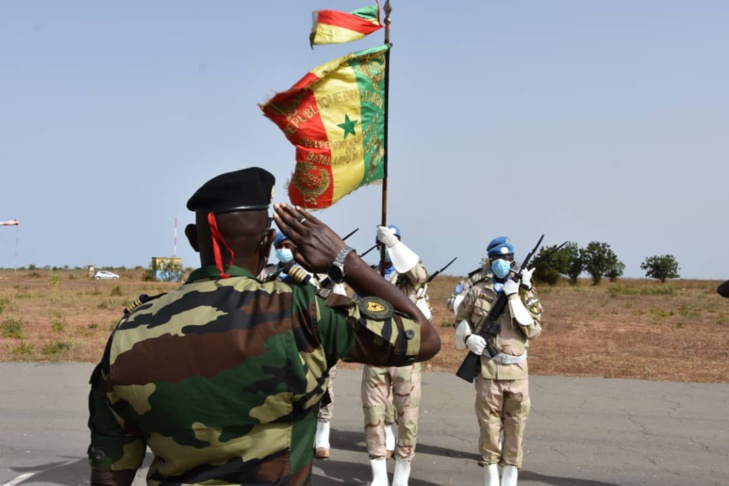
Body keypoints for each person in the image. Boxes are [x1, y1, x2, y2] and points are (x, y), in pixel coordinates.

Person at [86, 167, 440, 486]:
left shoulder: (131, 331)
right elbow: (423, 338)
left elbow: (110, 472)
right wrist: (345, 259)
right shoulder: (302, 312)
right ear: (268, 242)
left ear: (195, 239)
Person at [454, 236, 543, 486]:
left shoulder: (526, 293)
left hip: (516, 373)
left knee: (515, 430)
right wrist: (469, 337)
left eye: (507, 259)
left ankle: (510, 480)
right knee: (489, 430)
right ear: (490, 262)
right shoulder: (477, 291)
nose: (502, 263)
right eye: (497, 259)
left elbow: (534, 330)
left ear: (512, 261)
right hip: (488, 372)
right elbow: (460, 320)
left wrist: (516, 296)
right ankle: (491, 480)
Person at [264, 229, 346, 460]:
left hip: (312, 341)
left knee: (323, 388)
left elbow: (335, 302)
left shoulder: (316, 276)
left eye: (290, 246)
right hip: (278, 341)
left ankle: (322, 435)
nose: (285, 251)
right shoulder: (269, 273)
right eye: (281, 246)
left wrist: (329, 281)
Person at [361, 224, 431, 486]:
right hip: (376, 358)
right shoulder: (369, 276)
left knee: (407, 419)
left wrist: (394, 244)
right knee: (373, 416)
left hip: (405, 358)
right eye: (383, 244)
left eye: (391, 243)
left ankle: (401, 475)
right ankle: (378, 476)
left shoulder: (409, 280)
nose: (386, 249)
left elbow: (420, 275)